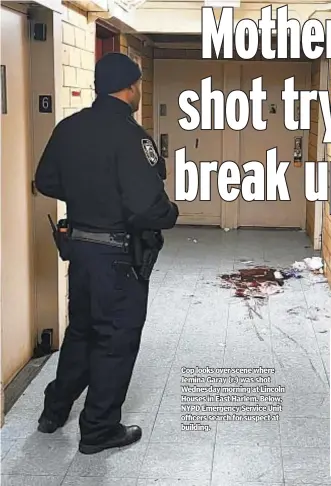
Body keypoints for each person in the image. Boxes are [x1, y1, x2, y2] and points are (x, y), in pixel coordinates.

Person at [34, 52, 179, 454]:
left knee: (81, 331)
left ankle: (54, 411)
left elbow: (45, 180)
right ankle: (98, 430)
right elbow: (148, 208)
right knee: (115, 340)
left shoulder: (69, 128)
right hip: (118, 259)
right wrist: (172, 213)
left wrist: (87, 194)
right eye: (138, 85)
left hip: (80, 253)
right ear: (131, 87)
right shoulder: (132, 137)